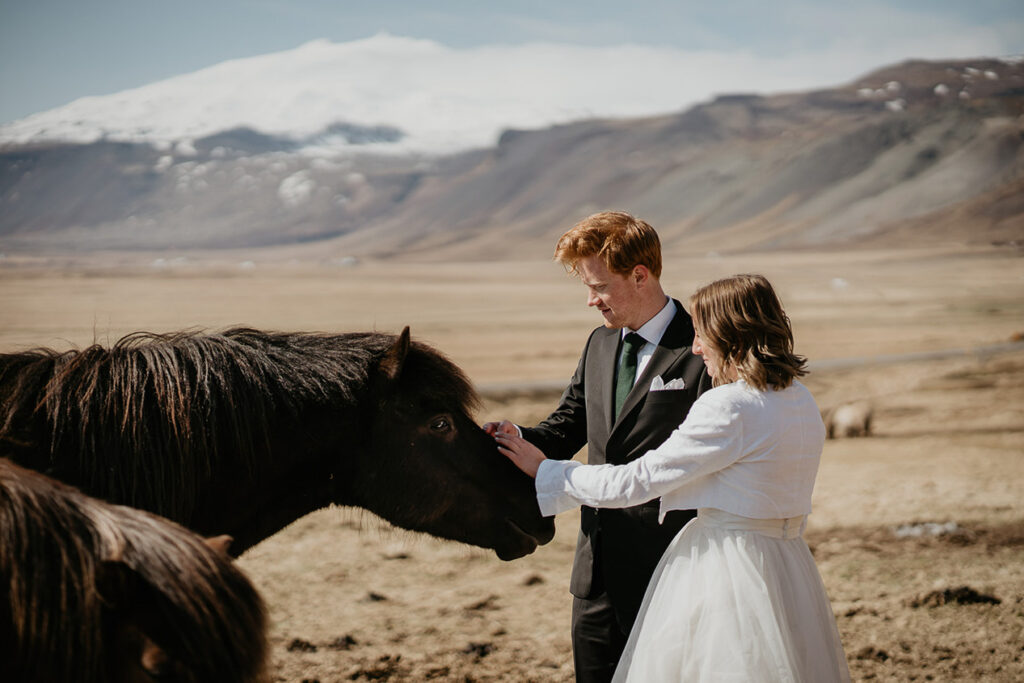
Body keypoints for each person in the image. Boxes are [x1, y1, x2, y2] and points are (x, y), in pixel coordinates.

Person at [496, 274, 851, 682]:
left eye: (702, 334)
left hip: (727, 569)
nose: (696, 348)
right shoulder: (798, 398)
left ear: (730, 334)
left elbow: (639, 481)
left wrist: (547, 472)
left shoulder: (728, 405)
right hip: (787, 566)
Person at [483, 211, 710, 682]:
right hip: (597, 573)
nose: (591, 301)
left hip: (674, 567)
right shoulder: (599, 345)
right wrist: (515, 438)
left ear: (641, 275)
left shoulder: (702, 349)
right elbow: (567, 427)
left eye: (600, 287)